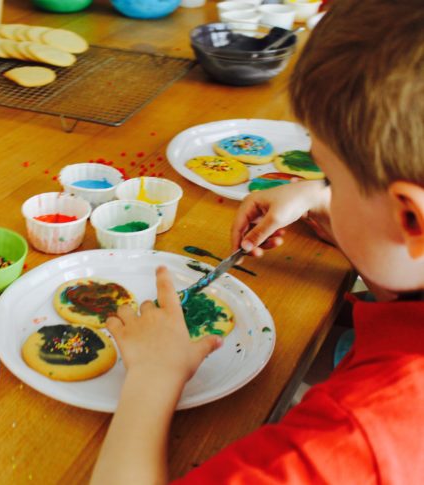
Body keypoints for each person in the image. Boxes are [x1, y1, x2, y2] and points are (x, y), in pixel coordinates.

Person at [90, 1, 424, 483]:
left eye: (329, 175)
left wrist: (154, 375)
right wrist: (331, 202)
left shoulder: (347, 444)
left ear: (409, 217)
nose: (322, 188)